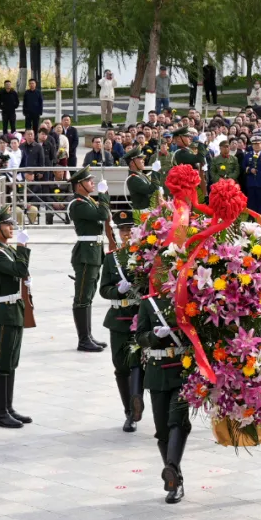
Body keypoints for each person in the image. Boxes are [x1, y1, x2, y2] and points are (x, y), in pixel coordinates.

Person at [136, 283, 190, 503]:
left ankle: (172, 473)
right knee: (162, 430)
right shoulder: (149, 303)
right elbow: (140, 337)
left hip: (182, 369)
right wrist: (154, 336)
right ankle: (175, 477)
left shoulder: (189, 299)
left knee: (178, 420)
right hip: (157, 371)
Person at [0, 206, 32, 428]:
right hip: (3, 312)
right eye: (7, 225)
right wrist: (22, 248)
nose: (11, 228)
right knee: (1, 362)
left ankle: (8, 408)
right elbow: (19, 270)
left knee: (11, 361)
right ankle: (0, 413)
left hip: (15, 309)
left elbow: (21, 271)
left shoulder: (6, 250)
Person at [99, 210, 144, 433]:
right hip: (118, 318)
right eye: (123, 230)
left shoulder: (145, 255)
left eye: (130, 230)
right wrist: (117, 291)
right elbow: (103, 289)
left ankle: (135, 409)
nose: (126, 234)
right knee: (120, 366)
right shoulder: (112, 258)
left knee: (136, 362)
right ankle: (128, 409)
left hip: (138, 316)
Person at [68, 166, 111, 353]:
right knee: (82, 297)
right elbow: (103, 214)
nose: (92, 183)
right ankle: (83, 339)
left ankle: (88, 335)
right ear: (79, 185)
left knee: (89, 295)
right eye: (88, 181)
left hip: (93, 252)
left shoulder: (87, 201)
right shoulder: (78, 204)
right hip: (86, 254)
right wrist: (103, 195)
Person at [244, 136, 261, 216]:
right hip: (251, 182)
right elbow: (243, 166)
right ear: (252, 145)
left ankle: (260, 219)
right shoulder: (248, 155)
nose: (256, 146)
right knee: (251, 202)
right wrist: (250, 170)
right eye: (254, 144)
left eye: (258, 144)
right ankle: (251, 219)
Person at [124, 148, 159, 212]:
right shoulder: (133, 179)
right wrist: (155, 172)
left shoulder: (141, 175)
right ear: (132, 163)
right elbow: (152, 189)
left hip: (147, 211)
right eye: (140, 159)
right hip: (142, 213)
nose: (143, 161)